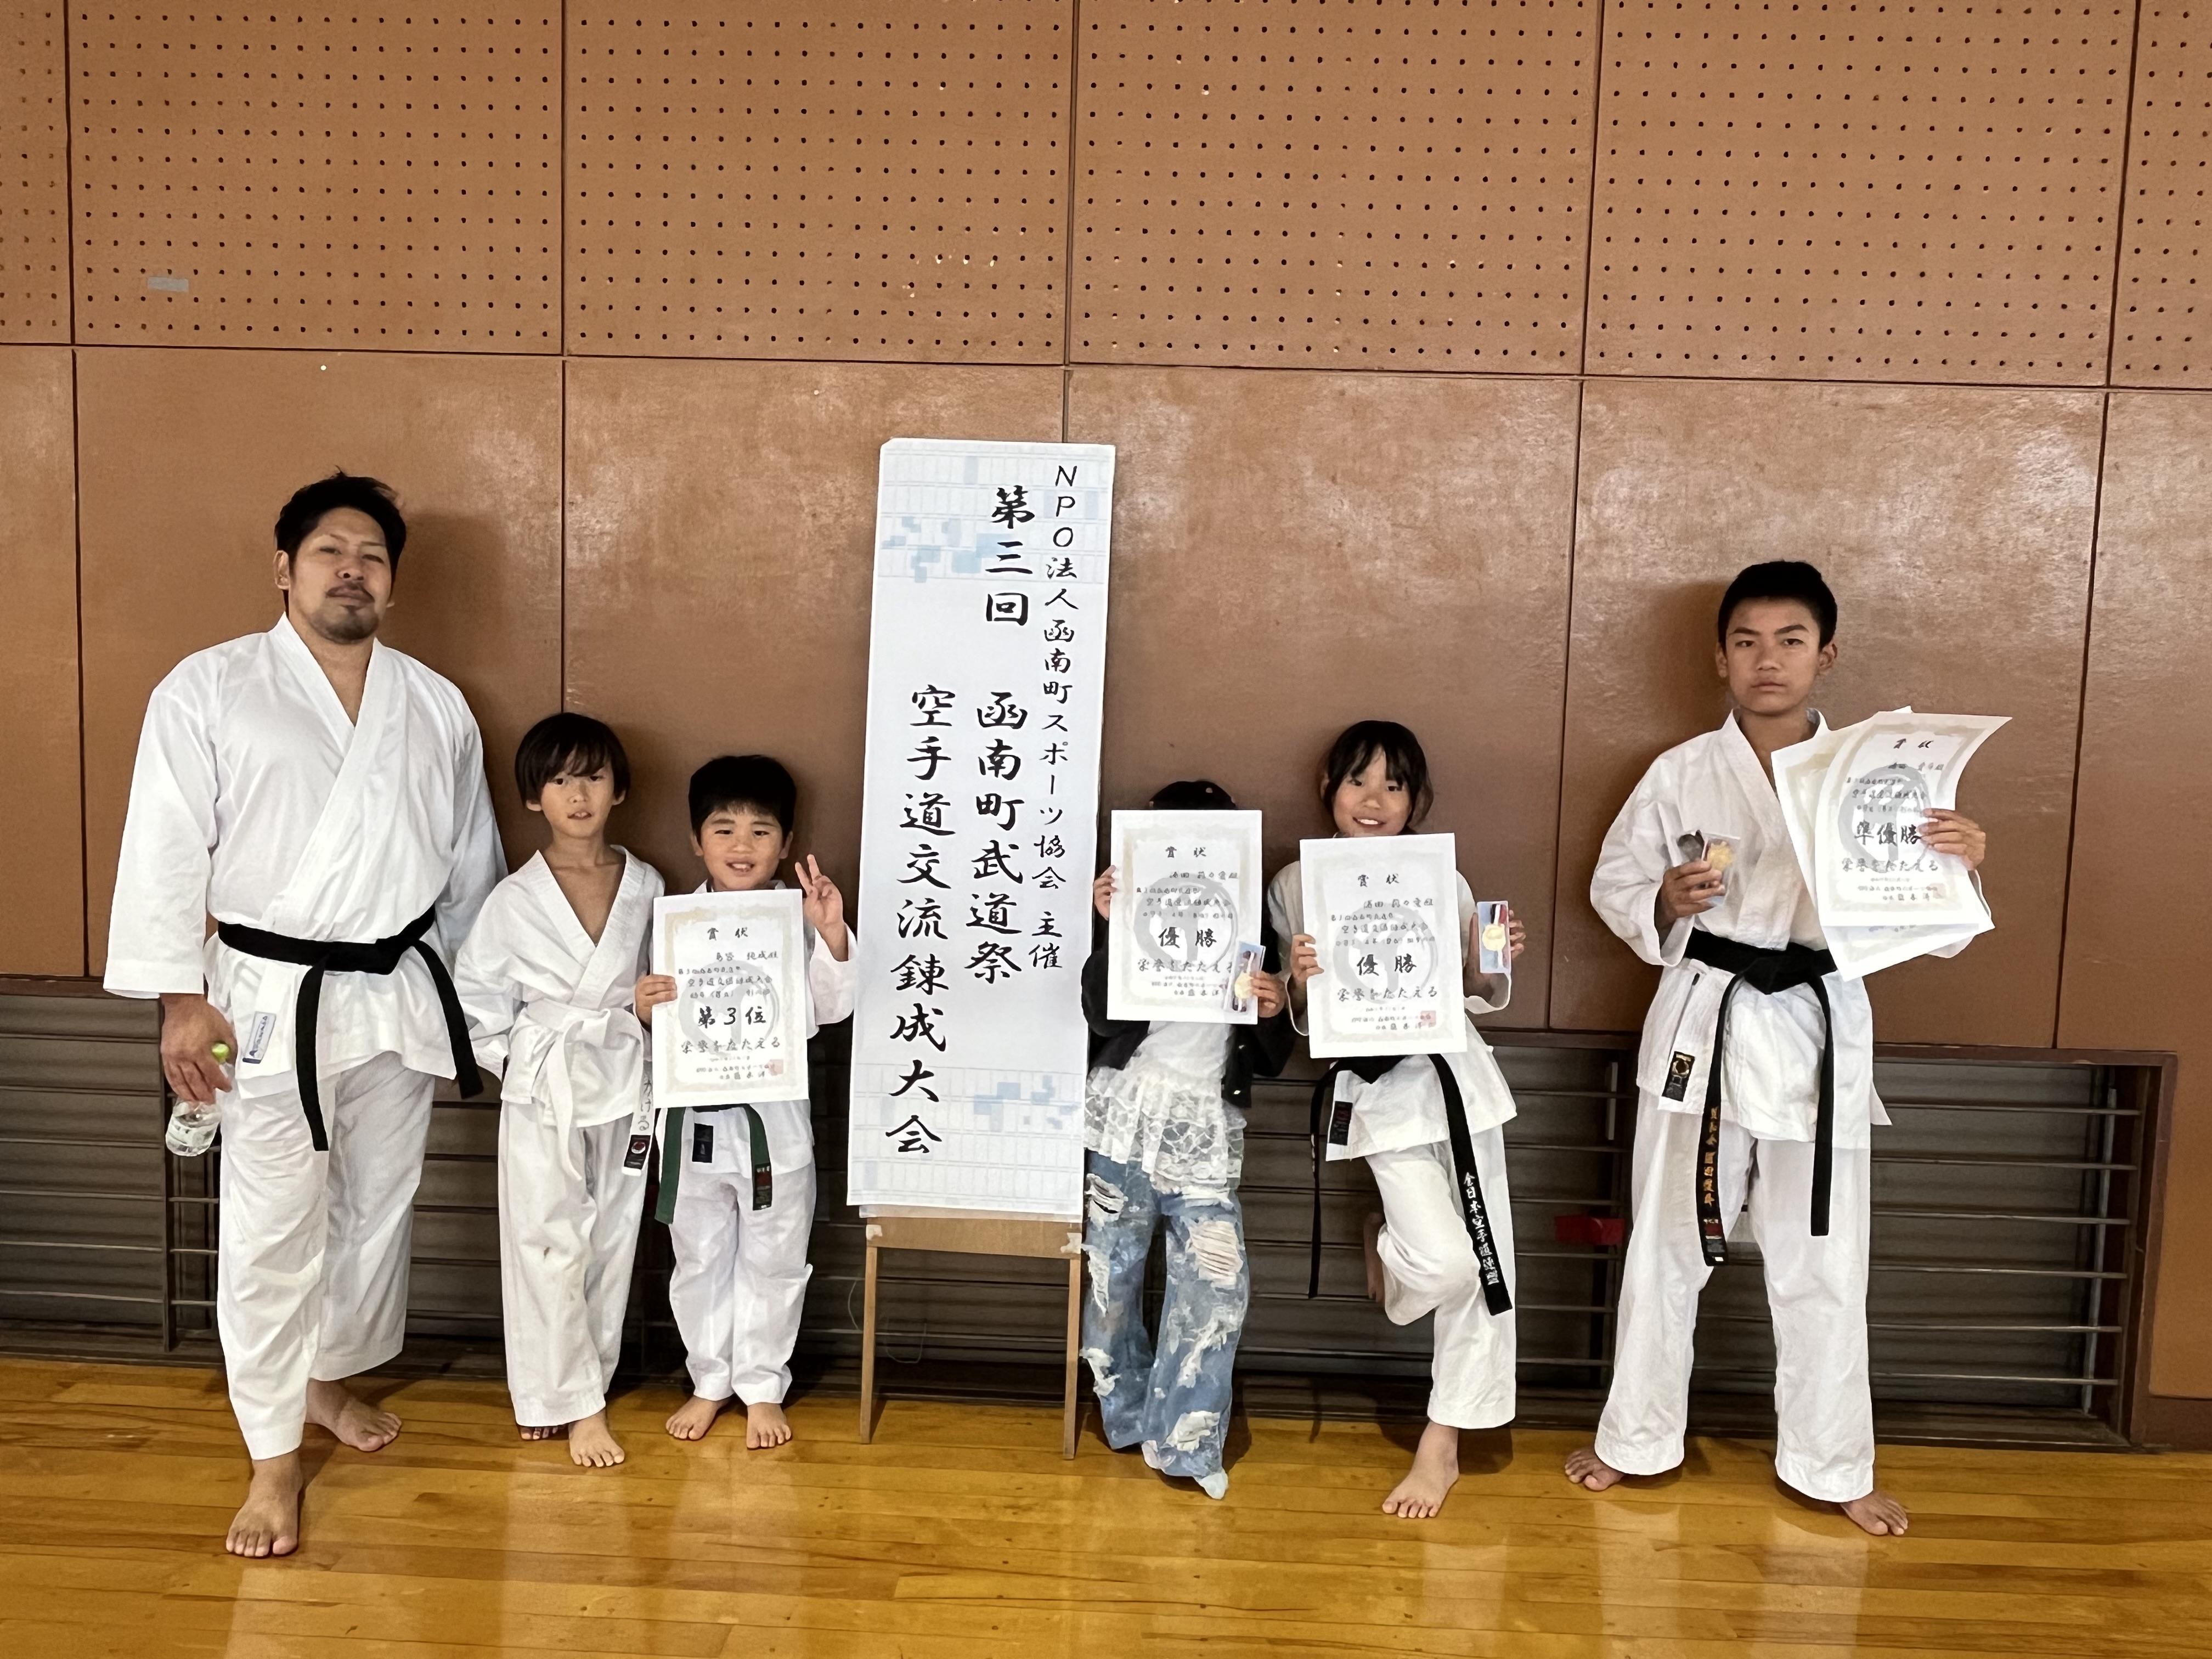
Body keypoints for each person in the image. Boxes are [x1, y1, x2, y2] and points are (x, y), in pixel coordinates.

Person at [105, 472, 504, 1557]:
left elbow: (469, 867)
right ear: (284, 567)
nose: (351, 571)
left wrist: (482, 1009)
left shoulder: (434, 703)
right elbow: (165, 846)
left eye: (371, 556)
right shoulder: (210, 686)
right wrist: (180, 998)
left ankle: (324, 1377)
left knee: (376, 1207)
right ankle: (272, 1456)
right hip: (267, 999)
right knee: (272, 1227)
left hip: (394, 995)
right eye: (330, 550)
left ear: (393, 582)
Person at [1562, 560, 1989, 1537]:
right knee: (1665, 1246)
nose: (1768, 659)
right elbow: (1613, 885)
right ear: (1720, 658)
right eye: (1746, 641)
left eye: (1790, 640)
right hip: (1704, 1017)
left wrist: (1960, 862)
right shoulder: (1679, 772)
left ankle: (1832, 1462)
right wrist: (1661, 900)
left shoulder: (1877, 777)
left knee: (1824, 1257)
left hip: (1815, 1024)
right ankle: (1635, 1438)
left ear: (1825, 656)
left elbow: (1934, 925)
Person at [1266, 723, 1528, 1520]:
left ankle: (1441, 1444)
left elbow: (1476, 988)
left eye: (1394, 785)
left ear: (1417, 800)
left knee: (1488, 1266)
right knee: (1448, 1265)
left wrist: (1493, 954)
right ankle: (1390, 1245)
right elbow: (1294, 1011)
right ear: (1328, 787)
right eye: (1358, 781)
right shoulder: (1295, 882)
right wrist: (1299, 978)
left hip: (1458, 1076)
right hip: (1378, 1091)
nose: (1374, 800)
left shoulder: (1440, 876)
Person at [454, 713, 662, 1468]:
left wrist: (647, 1012)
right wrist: (523, 1060)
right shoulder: (514, 899)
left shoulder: (647, 885)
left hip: (626, 1076)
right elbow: (476, 1002)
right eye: (561, 780)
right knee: (546, 1241)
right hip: (546, 1086)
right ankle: (571, 1404)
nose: (579, 796)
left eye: (594, 778)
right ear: (533, 797)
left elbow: (663, 983)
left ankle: (574, 1388)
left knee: (612, 1238)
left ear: (620, 789)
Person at [634, 755, 854, 1448]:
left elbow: (831, 1009)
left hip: (773, 1125)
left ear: (785, 844)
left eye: (761, 831)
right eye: (723, 829)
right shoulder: (671, 922)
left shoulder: (797, 919)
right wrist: (643, 1007)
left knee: (774, 1259)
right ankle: (709, 1380)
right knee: (698, 1257)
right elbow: (649, 1023)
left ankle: (761, 1385)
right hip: (691, 1125)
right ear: (696, 840)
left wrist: (830, 933)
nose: (741, 845)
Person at [1081, 780, 1293, 1499]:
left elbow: (1271, 1057)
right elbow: (1100, 1017)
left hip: (1204, 1119)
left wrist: (1274, 1006)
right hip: (1125, 1111)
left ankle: (1187, 1440)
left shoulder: (1250, 918)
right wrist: (1111, 925)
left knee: (1214, 1283)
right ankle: (1127, 1415)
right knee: (1111, 1276)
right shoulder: (1129, 906)